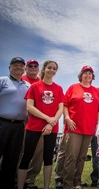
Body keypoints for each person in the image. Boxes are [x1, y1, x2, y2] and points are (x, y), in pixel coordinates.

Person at [18, 60, 64, 189]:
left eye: (54, 68)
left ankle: (46, 186)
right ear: (44, 69)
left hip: (52, 128)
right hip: (34, 126)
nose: (52, 70)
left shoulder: (58, 88)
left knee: (48, 158)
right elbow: (29, 107)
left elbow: (60, 108)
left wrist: (52, 122)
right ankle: (20, 186)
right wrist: (47, 118)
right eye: (49, 67)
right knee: (26, 156)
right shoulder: (34, 87)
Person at [62, 65, 99, 189]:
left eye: (90, 73)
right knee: (71, 157)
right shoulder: (73, 88)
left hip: (89, 128)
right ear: (81, 75)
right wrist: (67, 118)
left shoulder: (96, 91)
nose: (88, 75)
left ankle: (77, 182)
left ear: (92, 77)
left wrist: (98, 125)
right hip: (74, 127)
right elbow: (65, 105)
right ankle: (67, 184)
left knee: (81, 157)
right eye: (85, 73)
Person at [0, 57, 29, 189]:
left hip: (19, 126)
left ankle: (7, 184)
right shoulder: (2, 80)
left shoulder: (28, 86)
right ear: (10, 67)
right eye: (15, 65)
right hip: (2, 124)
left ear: (24, 69)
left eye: (21, 66)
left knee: (12, 158)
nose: (18, 67)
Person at [21, 60, 42, 189]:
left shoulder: (41, 82)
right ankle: (16, 177)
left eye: (35, 66)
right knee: (21, 150)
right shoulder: (21, 79)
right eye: (30, 66)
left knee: (38, 153)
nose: (33, 68)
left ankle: (29, 180)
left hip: (38, 120)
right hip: (22, 119)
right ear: (26, 68)